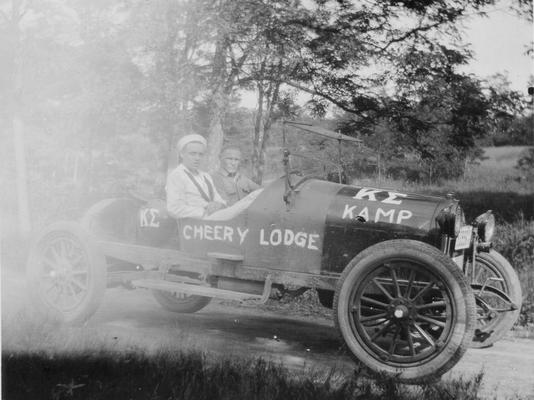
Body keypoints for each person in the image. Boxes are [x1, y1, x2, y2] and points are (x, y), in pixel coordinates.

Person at [166, 134, 226, 219]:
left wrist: (219, 205)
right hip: (192, 225)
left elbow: (219, 200)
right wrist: (205, 211)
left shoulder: (206, 176)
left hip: (213, 222)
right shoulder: (177, 175)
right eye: (192, 154)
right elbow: (174, 209)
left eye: (200, 154)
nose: (197, 158)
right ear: (182, 154)